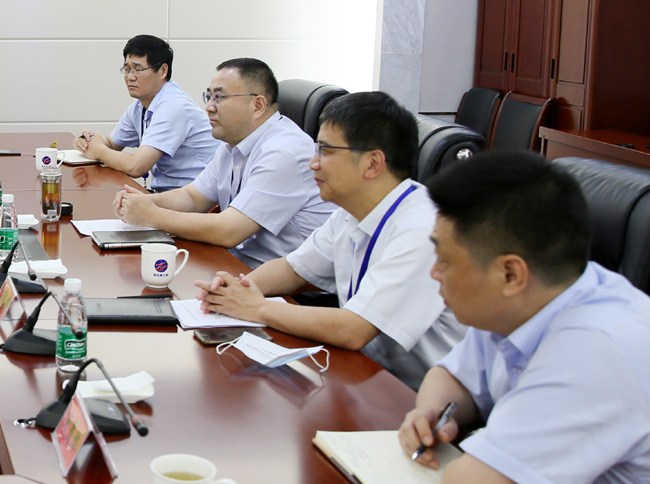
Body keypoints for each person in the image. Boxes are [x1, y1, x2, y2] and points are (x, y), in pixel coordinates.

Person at [398, 151, 650, 484]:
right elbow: (453, 377)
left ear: (510, 274)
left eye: (444, 260)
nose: (434, 274)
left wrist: (484, 454)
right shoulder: (528, 300)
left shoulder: (596, 349)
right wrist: (431, 412)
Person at [195, 92, 465, 388]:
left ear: (373, 163)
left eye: (325, 151)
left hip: (422, 395)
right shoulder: (351, 212)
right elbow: (292, 270)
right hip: (366, 374)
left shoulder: (422, 230)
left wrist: (255, 307)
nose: (313, 163)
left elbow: (353, 329)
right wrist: (237, 289)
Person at [114, 58, 334, 268]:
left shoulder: (283, 152)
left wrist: (152, 215)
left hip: (284, 284)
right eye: (208, 97)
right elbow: (193, 197)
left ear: (257, 105)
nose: (209, 107)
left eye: (219, 97)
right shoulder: (233, 143)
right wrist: (144, 201)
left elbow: (229, 231)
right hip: (238, 264)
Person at [74, 35, 217, 191]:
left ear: (163, 71)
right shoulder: (140, 106)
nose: (130, 77)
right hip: (170, 195)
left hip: (197, 199)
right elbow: (111, 144)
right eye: (127, 69)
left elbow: (137, 167)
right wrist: (87, 141)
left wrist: (98, 150)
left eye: (138, 69)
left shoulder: (173, 106)